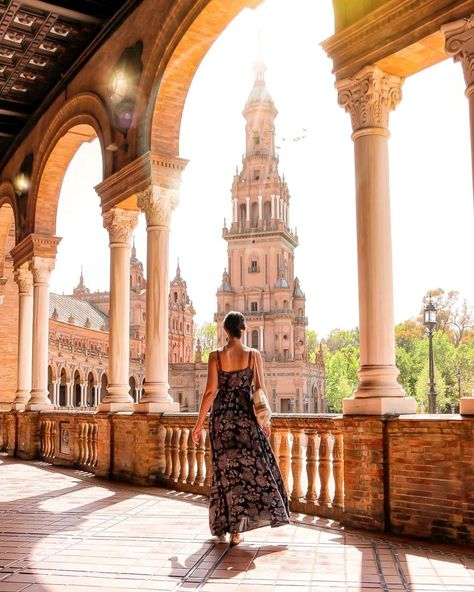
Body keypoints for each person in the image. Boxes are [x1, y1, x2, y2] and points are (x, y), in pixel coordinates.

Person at [192, 311, 290, 545]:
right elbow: (261, 390)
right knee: (256, 469)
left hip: (222, 421)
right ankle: (238, 530)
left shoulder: (215, 357)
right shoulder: (253, 356)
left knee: (225, 474)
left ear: (226, 330)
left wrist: (198, 425)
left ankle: (229, 528)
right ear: (243, 329)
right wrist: (266, 422)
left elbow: (209, 392)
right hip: (246, 419)